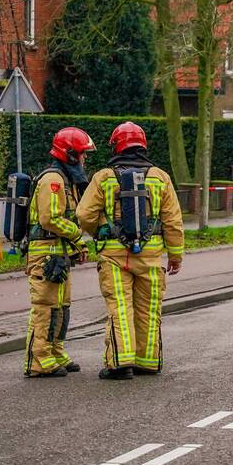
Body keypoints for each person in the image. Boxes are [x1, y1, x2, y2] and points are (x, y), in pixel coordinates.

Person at [77, 122, 184, 380]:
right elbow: (173, 221)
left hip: (114, 258)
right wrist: (175, 255)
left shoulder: (104, 176)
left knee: (119, 308)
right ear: (143, 145)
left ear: (116, 145)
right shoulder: (160, 177)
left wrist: (100, 229)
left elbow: (83, 214)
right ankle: (147, 361)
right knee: (149, 309)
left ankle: (120, 362)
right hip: (151, 257)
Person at [23, 128, 97, 378]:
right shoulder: (53, 180)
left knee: (61, 307)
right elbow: (50, 219)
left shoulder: (65, 180)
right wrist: (77, 236)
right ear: (71, 155)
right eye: (83, 154)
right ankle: (38, 359)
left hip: (58, 255)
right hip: (44, 254)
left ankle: (55, 351)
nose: (85, 159)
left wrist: (78, 248)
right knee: (45, 306)